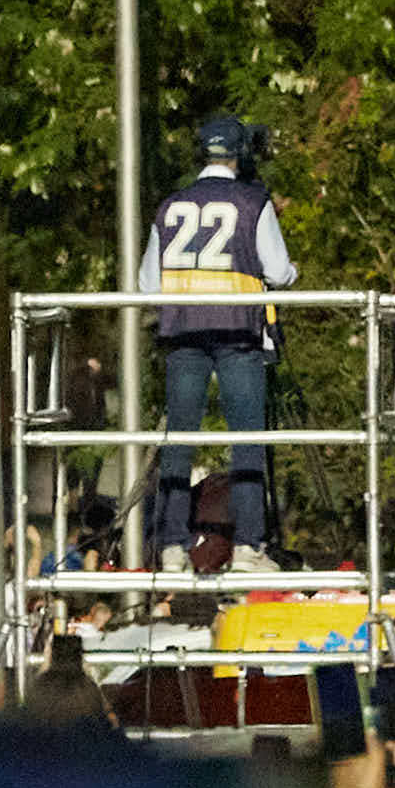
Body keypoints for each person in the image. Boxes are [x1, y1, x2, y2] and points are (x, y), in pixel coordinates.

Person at [146, 113, 301, 570]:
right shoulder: (253, 202)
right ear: (241, 154)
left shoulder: (170, 206)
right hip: (237, 331)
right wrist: (289, 277)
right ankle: (249, 546)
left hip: (184, 334)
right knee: (247, 437)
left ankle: (172, 545)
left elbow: (146, 281)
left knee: (179, 439)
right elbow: (277, 270)